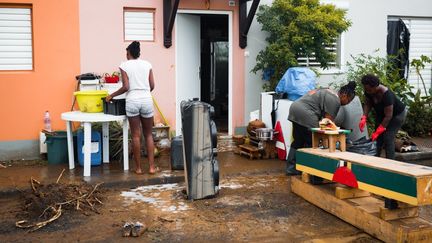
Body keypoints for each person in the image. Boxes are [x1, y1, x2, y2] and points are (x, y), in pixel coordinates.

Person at [106, 41, 158, 174]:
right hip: (146, 100)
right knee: (148, 135)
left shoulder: (124, 65)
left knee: (135, 135)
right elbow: (152, 85)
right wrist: (145, 91)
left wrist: (111, 96)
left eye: (126, 53)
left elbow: (126, 87)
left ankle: (139, 169)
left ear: (129, 53)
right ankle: (152, 167)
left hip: (132, 101)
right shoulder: (147, 64)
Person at [286, 81, 357, 175]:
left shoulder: (329, 91)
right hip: (307, 113)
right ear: (344, 95)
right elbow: (327, 124)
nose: (347, 103)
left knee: (298, 140)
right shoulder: (335, 100)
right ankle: (311, 171)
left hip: (295, 108)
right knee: (313, 142)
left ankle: (291, 168)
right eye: (349, 100)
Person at [359, 74, 407, 160]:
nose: (367, 91)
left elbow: (388, 116)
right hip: (382, 114)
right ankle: (376, 159)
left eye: (369, 90)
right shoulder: (369, 91)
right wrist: (364, 117)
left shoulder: (387, 95)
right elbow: (367, 103)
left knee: (388, 137)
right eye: (366, 89)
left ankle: (390, 163)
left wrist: (378, 131)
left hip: (397, 115)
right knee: (377, 138)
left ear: (375, 87)